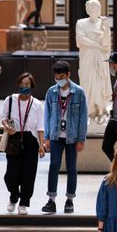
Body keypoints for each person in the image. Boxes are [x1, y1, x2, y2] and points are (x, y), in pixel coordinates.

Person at [42, 61, 88, 214]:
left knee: (72, 168)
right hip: (55, 136)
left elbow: (83, 117)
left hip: (72, 137)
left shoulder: (79, 92)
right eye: (56, 77)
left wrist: (81, 139)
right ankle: (51, 200)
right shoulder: (51, 92)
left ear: (68, 75)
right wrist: (47, 137)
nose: (59, 79)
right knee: (53, 166)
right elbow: (47, 115)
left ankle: (69, 200)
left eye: (61, 76)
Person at [1, 72, 45, 215]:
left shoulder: (37, 104)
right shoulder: (10, 100)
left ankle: (24, 202)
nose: (24, 86)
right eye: (21, 84)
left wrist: (41, 145)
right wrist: (8, 127)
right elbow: (4, 118)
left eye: (27, 84)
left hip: (30, 140)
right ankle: (13, 196)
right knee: (11, 174)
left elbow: (40, 127)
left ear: (31, 86)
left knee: (28, 174)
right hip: (14, 138)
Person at [76, 0, 112, 122]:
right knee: (86, 83)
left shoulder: (102, 25)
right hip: (87, 58)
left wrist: (107, 29)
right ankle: (88, 110)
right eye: (91, 9)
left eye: (96, 9)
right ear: (87, 10)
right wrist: (97, 45)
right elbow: (81, 40)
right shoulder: (81, 23)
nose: (93, 11)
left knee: (100, 84)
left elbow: (106, 45)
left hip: (100, 59)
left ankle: (99, 110)